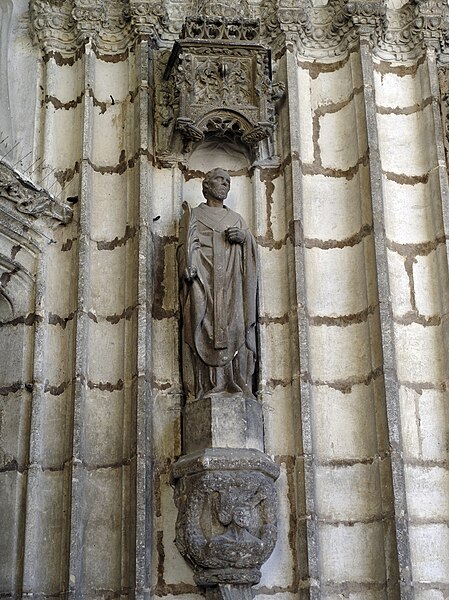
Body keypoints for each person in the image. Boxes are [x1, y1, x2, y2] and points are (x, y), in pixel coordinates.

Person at [177, 168, 258, 402]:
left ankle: (237, 382)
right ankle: (207, 386)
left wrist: (244, 239)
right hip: (204, 285)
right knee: (201, 325)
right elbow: (185, 248)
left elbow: (251, 253)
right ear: (206, 186)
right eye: (219, 180)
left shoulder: (237, 219)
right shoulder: (194, 215)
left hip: (232, 288)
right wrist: (188, 266)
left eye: (228, 181)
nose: (224, 184)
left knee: (236, 328)